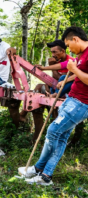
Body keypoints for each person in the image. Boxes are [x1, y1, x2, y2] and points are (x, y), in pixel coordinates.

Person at [18, 26, 88, 185]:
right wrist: (67, 79)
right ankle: (44, 175)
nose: (69, 49)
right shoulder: (82, 54)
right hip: (72, 99)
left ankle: (40, 170)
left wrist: (74, 70)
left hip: (81, 104)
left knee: (53, 131)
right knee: (61, 137)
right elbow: (67, 68)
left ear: (75, 39)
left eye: (68, 45)